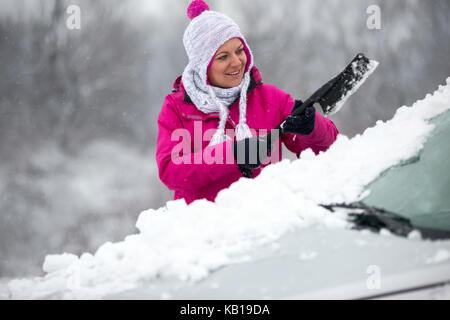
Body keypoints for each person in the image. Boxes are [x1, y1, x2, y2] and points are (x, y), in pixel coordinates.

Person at [156, 0, 339, 204]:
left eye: (239, 50)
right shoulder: (177, 107)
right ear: (202, 66)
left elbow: (333, 151)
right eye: (223, 56)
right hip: (204, 229)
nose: (236, 61)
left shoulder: (271, 98)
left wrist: (313, 128)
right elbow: (171, 171)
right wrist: (232, 154)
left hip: (264, 222)